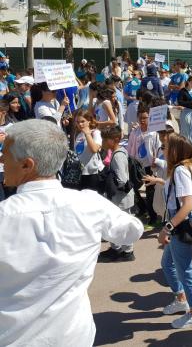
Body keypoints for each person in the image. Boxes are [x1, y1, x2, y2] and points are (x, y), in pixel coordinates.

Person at [0, 119, 143, 346]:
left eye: (5, 155)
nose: (1, 160)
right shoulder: (89, 204)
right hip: (74, 336)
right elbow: (133, 230)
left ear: (27, 165)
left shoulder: (5, 215)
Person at [150, 134, 192, 329]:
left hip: (180, 223)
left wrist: (167, 229)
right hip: (178, 221)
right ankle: (181, 299)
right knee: (168, 264)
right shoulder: (183, 168)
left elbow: (187, 205)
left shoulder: (181, 170)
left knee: (185, 269)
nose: (163, 150)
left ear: (174, 150)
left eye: (165, 147)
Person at [98, 126, 137, 261]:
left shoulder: (118, 155)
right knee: (114, 224)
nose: (103, 142)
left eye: (105, 139)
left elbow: (122, 180)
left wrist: (109, 178)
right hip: (119, 198)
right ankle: (116, 248)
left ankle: (127, 252)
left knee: (122, 225)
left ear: (114, 140)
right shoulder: (117, 152)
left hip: (121, 199)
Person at [127, 103, 161, 224]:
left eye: (145, 118)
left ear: (150, 118)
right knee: (132, 187)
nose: (142, 120)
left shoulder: (154, 133)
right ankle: (142, 207)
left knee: (150, 192)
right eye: (140, 118)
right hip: (137, 166)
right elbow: (130, 149)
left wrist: (156, 162)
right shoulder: (134, 132)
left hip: (150, 166)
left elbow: (158, 148)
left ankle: (153, 217)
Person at [74, 112, 104, 192]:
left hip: (93, 173)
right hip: (80, 173)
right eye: (77, 122)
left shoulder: (95, 133)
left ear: (89, 121)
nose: (80, 124)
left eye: (82, 121)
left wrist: (87, 134)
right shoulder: (78, 134)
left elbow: (94, 149)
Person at [178, 76, 192, 145]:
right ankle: (184, 145)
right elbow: (180, 102)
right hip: (185, 111)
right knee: (185, 129)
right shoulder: (182, 91)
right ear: (188, 82)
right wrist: (191, 103)